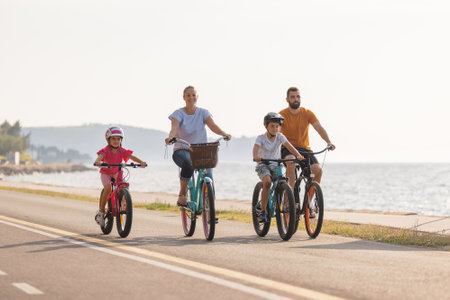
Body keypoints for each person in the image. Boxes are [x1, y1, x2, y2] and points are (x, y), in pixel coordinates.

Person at [165, 86, 231, 207]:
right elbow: (174, 128)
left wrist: (224, 134)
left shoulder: (203, 112)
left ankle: (209, 208)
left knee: (209, 176)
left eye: (193, 95)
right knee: (189, 164)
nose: (191, 97)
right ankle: (182, 195)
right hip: (182, 150)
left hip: (201, 151)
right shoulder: (178, 113)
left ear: (197, 97)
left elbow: (212, 125)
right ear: (184, 98)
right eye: (188, 95)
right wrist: (170, 138)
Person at [280, 87, 336, 192]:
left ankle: (308, 205)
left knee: (317, 171)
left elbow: (319, 128)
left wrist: (329, 142)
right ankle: (289, 202)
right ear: (287, 99)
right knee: (291, 163)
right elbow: (275, 133)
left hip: (304, 149)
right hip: (288, 148)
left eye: (298, 96)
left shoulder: (307, 113)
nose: (296, 99)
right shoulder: (282, 115)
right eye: (292, 97)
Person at [253, 112, 304, 223]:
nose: (275, 129)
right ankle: (262, 211)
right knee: (267, 182)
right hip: (264, 164)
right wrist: (256, 156)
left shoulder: (280, 137)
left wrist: (298, 155)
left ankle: (283, 203)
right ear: (266, 126)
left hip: (276, 164)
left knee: (282, 181)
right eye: (272, 126)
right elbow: (256, 148)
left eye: (277, 126)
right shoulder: (261, 138)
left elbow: (289, 146)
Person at [94, 126, 147, 226]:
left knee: (124, 186)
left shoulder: (122, 150)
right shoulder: (106, 150)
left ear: (121, 140)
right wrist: (98, 162)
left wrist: (141, 162)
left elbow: (131, 157)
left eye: (118, 139)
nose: (116, 141)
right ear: (108, 139)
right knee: (108, 187)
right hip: (106, 173)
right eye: (113, 138)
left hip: (118, 172)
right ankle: (101, 212)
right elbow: (100, 157)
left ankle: (123, 203)